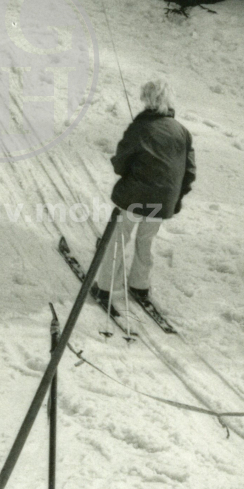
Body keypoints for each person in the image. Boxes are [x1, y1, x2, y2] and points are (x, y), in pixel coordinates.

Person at [92, 79, 195, 317]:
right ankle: (140, 285)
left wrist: (127, 171)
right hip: (163, 200)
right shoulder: (183, 132)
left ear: (147, 100)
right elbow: (189, 172)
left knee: (118, 237)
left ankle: (105, 288)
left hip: (134, 197)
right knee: (145, 241)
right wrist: (173, 197)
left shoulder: (140, 127)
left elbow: (120, 163)